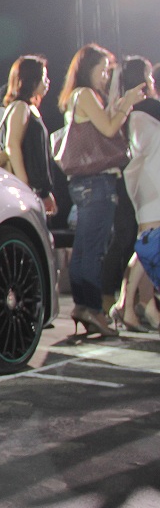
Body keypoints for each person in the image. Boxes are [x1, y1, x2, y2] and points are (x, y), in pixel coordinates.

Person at [56, 44, 145, 337]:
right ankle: (93, 309)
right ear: (89, 68)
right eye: (103, 69)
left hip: (84, 183)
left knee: (85, 248)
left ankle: (84, 306)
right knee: (93, 250)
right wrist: (127, 104)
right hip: (96, 181)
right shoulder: (85, 94)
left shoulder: (77, 96)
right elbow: (108, 128)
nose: (106, 76)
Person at [112, 55, 160, 330]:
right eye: (149, 76)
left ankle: (141, 306)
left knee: (146, 246)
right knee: (147, 247)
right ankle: (126, 305)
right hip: (153, 183)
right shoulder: (148, 108)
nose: (152, 82)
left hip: (146, 182)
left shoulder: (131, 110)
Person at [2, 55, 57, 216]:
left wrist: (45, 192)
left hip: (36, 190)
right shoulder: (20, 107)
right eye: (44, 77)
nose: (47, 82)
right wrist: (24, 185)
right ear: (32, 79)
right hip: (27, 190)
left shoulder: (29, 108)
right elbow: (12, 145)